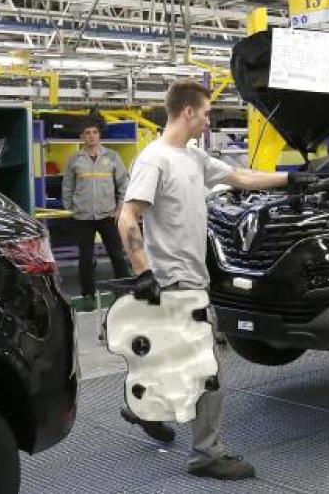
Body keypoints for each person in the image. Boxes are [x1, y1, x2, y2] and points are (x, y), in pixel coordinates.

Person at [116, 79, 313, 480]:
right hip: (174, 283)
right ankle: (206, 453)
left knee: (171, 357)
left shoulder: (192, 156)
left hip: (193, 278)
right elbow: (127, 217)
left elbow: (239, 177)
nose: (208, 121)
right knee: (208, 370)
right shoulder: (155, 160)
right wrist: (143, 273)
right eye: (206, 113)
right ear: (188, 112)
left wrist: (290, 180)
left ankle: (142, 407)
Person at [62, 120, 131, 311]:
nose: (91, 136)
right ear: (82, 137)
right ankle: (88, 295)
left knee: (117, 255)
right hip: (83, 217)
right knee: (85, 258)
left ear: (99, 136)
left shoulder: (112, 157)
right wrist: (71, 207)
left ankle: (124, 292)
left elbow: (123, 184)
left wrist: (120, 209)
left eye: (94, 132)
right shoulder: (74, 159)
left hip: (107, 215)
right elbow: (67, 185)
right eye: (87, 133)